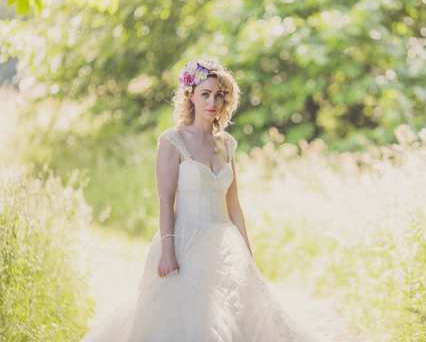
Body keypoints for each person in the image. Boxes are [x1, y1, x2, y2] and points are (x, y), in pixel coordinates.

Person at [81, 59, 320, 341]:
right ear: (190, 96)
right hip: (186, 242)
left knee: (235, 316)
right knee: (195, 319)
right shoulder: (173, 140)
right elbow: (165, 200)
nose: (213, 102)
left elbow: (234, 206)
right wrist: (167, 251)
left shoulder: (227, 143)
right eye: (205, 94)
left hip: (224, 244)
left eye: (219, 95)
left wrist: (247, 255)